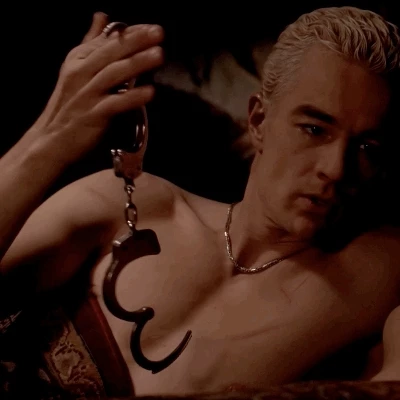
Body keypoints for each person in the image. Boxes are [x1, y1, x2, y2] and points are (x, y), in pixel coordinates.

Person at [0, 5, 399, 398]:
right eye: (314, 129)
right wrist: (47, 144)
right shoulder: (127, 204)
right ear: (258, 121)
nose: (336, 168)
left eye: (368, 148)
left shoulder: (376, 278)